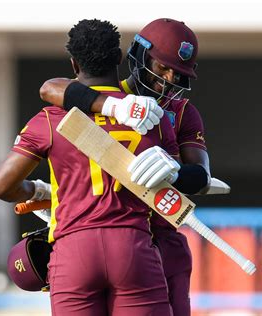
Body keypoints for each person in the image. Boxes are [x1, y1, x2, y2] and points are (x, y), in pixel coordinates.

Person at [0, 19, 192, 315]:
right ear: (120, 60)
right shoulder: (153, 115)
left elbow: (1, 186)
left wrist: (35, 189)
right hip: (133, 247)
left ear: (73, 64)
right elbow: (178, 187)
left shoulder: (50, 117)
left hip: (74, 250)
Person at [38, 18, 213, 316]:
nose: (169, 79)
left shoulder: (182, 112)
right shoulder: (105, 95)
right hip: (116, 239)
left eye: (179, 74)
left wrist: (173, 170)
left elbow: (202, 176)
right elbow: (49, 89)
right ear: (139, 56)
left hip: (163, 243)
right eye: (162, 67)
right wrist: (114, 106)